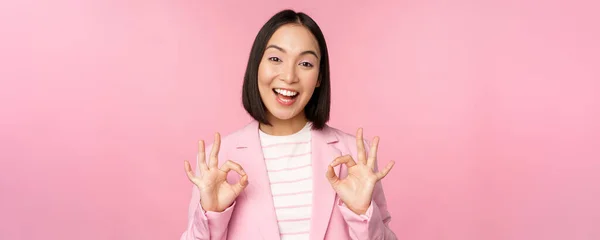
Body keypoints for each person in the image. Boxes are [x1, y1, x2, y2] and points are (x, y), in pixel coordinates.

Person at [180, 9, 397, 240]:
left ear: (319, 78)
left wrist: (362, 214)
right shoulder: (219, 157)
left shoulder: (355, 155)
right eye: (275, 59)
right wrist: (211, 215)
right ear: (257, 65)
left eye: (305, 63)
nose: (289, 76)